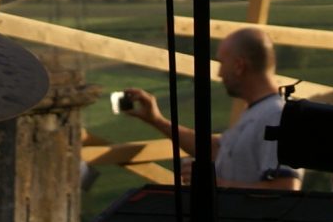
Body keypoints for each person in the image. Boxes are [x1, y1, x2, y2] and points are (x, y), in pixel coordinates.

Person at [119, 25, 298, 188]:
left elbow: (286, 187)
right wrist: (157, 120)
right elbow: (216, 150)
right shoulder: (259, 111)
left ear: (239, 66)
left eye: (222, 63)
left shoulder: (276, 116)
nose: (219, 73)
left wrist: (214, 185)